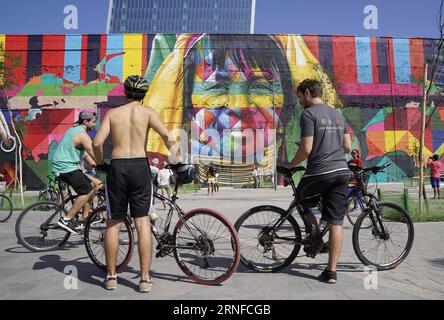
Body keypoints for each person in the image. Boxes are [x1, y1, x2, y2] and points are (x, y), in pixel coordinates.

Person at [93, 75, 178, 293]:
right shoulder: (148, 112)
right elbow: (168, 137)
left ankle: (111, 277)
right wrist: (177, 161)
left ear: (125, 92)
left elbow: (97, 142)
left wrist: (102, 163)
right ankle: (144, 279)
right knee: (142, 224)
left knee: (114, 222)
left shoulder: (113, 114)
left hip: (118, 166)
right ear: (144, 94)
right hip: (140, 167)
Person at [284, 79, 351, 284]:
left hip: (320, 172)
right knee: (336, 221)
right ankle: (331, 272)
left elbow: (306, 149)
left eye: (299, 97)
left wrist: (289, 165)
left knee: (300, 199)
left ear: (306, 93)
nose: (299, 101)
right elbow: (347, 146)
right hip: (342, 171)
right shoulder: (338, 114)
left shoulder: (308, 114)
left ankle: (317, 237)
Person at [52, 111, 98, 234]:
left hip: (65, 166)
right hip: (65, 167)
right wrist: (105, 165)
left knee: (92, 186)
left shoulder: (72, 130)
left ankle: (83, 221)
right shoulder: (82, 135)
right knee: (87, 191)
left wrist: (94, 163)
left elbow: (86, 154)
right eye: (92, 122)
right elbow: (92, 151)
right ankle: (67, 219)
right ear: (85, 121)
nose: (94, 124)